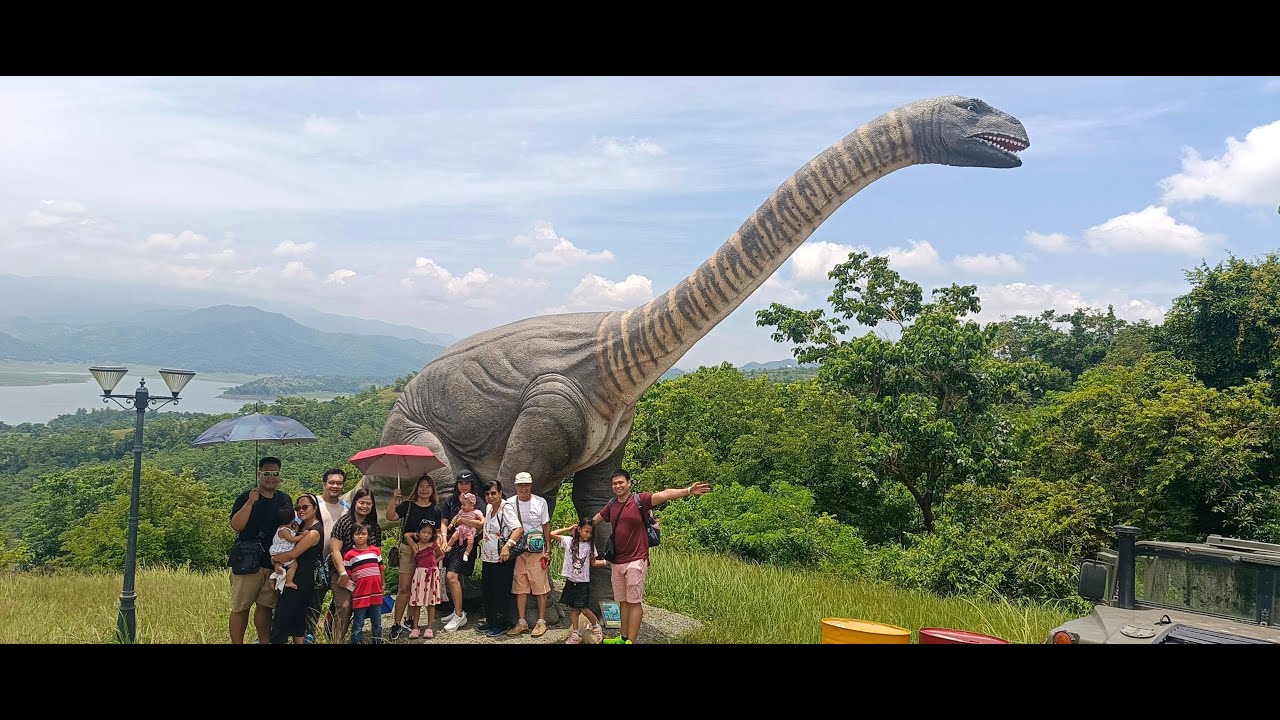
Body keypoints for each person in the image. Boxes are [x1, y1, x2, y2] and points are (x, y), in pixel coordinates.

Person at [592, 469, 711, 644]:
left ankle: (631, 641)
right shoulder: (612, 504)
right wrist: (580, 529)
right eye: (614, 483)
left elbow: (664, 495)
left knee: (634, 602)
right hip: (617, 561)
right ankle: (622, 638)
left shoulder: (640, 500)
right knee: (622, 602)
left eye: (621, 482)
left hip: (636, 559)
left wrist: (687, 490)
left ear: (629, 483)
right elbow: (597, 519)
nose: (617, 486)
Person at [228, 456, 293, 644]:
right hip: (248, 562)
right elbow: (236, 526)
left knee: (265, 607)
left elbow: (289, 526)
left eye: (275, 474)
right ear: (259, 474)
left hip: (273, 563)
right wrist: (250, 503)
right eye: (267, 473)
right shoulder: (246, 497)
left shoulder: (284, 499)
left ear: (280, 475)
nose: (271, 477)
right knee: (241, 607)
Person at [386, 474, 443, 640]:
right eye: (421, 486)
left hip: (427, 554)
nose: (424, 489)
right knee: (404, 588)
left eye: (428, 486)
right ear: (416, 488)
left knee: (417, 589)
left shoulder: (435, 509)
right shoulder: (408, 505)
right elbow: (391, 517)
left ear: (432, 490)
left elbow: (437, 532)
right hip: (407, 551)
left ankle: (411, 621)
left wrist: (437, 548)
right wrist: (394, 499)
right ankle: (396, 624)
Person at [329, 487, 383, 644]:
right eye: (361, 502)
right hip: (343, 574)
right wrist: (343, 574)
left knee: (372, 610)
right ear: (354, 503)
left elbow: (376, 555)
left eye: (369, 503)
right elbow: (334, 550)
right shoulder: (344, 522)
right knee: (345, 606)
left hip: (366, 576)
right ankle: (336, 640)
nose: (365, 506)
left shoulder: (374, 527)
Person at [271, 493, 325, 644]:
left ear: (315, 508)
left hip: (302, 579)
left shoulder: (314, 532)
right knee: (296, 618)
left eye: (305, 507)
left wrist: (274, 558)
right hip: (292, 576)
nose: (301, 510)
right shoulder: (299, 527)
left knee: (282, 618)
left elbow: (293, 554)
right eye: (298, 507)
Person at [506, 471, 551, 638]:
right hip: (518, 551)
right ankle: (522, 622)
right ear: (515, 486)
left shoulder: (540, 502)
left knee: (540, 586)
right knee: (520, 586)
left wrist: (548, 549)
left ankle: (541, 621)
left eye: (526, 484)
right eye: (520, 485)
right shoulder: (509, 503)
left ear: (531, 485)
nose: (523, 488)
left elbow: (546, 526)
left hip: (537, 550)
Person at [550, 518, 607, 644]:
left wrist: (607, 562)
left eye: (590, 533)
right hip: (571, 580)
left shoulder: (590, 546)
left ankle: (596, 626)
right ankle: (575, 633)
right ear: (579, 529)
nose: (588, 535)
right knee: (574, 609)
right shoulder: (569, 541)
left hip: (583, 582)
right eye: (586, 531)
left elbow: (593, 562)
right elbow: (551, 534)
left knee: (584, 608)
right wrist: (568, 528)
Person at [439, 470, 482, 632]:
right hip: (450, 542)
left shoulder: (476, 501)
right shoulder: (450, 500)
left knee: (452, 576)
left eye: (467, 483)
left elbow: (481, 523)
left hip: (465, 544)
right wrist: (443, 536)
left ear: (472, 484)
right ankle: (457, 609)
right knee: (452, 577)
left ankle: (459, 615)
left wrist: (463, 520)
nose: (463, 486)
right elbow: (444, 521)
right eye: (461, 483)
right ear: (456, 485)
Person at [478, 480, 518, 637]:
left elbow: (518, 528)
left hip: (502, 557)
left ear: (500, 493)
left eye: (493, 493)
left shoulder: (506, 508)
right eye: (487, 494)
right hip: (488, 557)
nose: (490, 496)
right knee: (488, 590)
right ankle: (491, 620)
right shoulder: (488, 507)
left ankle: (501, 624)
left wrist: (508, 546)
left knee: (500, 591)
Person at [315, 468, 350, 641]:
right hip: (314, 564)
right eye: (331, 482)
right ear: (324, 484)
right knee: (313, 603)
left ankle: (334, 636)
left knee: (342, 604)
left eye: (339, 483)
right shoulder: (313, 505)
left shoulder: (347, 509)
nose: (335, 486)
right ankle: (308, 635)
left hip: (337, 565)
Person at [343, 522, 385, 644]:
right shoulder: (349, 555)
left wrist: (383, 584)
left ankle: (378, 641)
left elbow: (381, 568)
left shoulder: (375, 551)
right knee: (358, 623)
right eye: (357, 534)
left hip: (376, 593)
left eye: (363, 533)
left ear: (368, 536)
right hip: (360, 594)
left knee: (377, 622)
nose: (360, 536)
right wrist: (352, 590)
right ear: (352, 536)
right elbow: (347, 576)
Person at [406, 524, 445, 639]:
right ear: (418, 533)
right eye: (423, 532)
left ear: (432, 534)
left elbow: (441, 555)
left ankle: (429, 627)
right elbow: (413, 559)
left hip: (431, 575)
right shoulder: (416, 546)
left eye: (428, 533)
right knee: (417, 603)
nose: (426, 535)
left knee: (431, 603)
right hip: (419, 576)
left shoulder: (433, 545)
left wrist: (434, 565)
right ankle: (415, 627)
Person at [268, 504, 306, 591]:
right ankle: (289, 581)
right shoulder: (284, 530)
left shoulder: (286, 528)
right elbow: (292, 539)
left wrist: (296, 527)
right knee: (293, 566)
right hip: (282, 551)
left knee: (280, 567)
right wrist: (303, 535)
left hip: (281, 551)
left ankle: (273, 578)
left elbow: (293, 533)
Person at [443, 492, 483, 562]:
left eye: (464, 505)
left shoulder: (476, 512)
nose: (462, 507)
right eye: (462, 504)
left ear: (472, 504)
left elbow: (481, 517)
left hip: (470, 530)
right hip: (461, 528)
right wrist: (452, 524)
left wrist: (482, 520)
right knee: (453, 537)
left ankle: (466, 553)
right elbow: (456, 517)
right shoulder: (461, 511)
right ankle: (448, 547)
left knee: (470, 542)